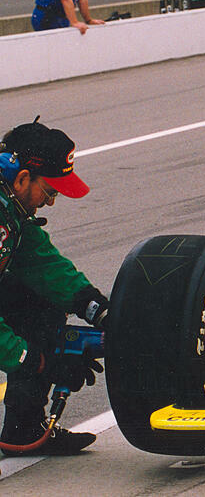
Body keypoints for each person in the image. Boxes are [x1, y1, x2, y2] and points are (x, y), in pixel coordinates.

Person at [0, 120, 110, 455]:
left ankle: (24, 430)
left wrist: (97, 308)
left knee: (38, 299)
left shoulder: (10, 207)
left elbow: (42, 263)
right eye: (50, 192)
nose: (50, 203)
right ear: (22, 179)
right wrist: (37, 362)